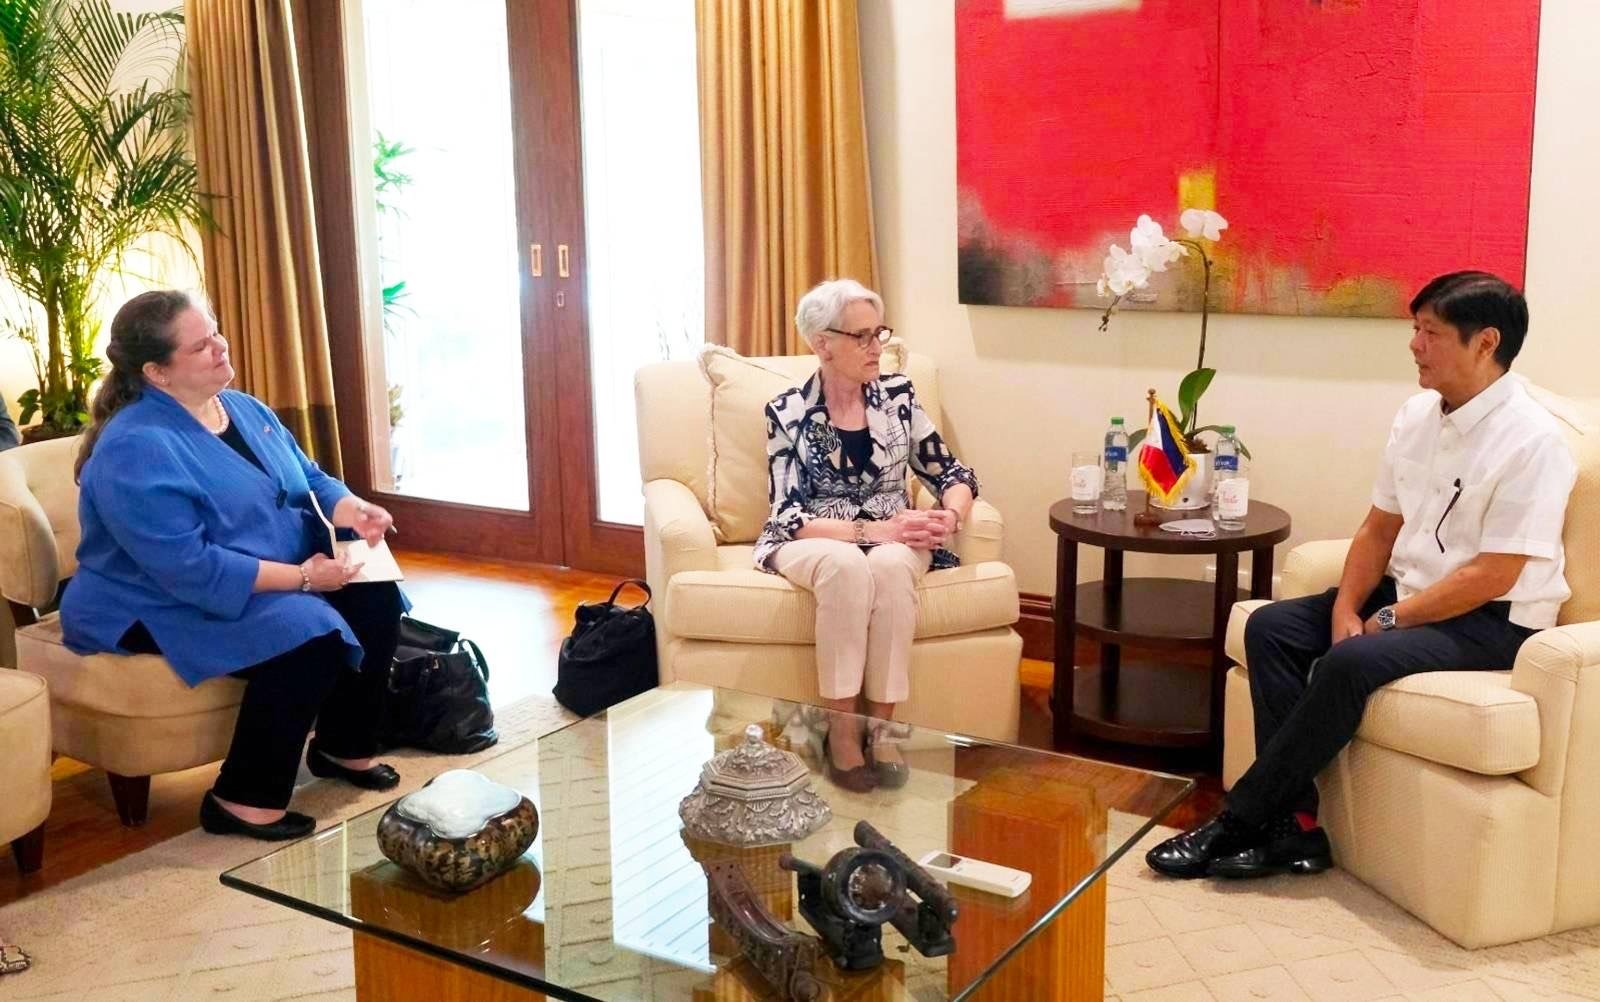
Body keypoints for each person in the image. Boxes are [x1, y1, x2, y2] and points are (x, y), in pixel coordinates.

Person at [1148, 271, 1577, 880]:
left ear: (1486, 342)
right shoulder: (1417, 415)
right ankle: (1295, 828)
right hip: (1411, 592)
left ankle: (1239, 819)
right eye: (1415, 329)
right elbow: (1378, 529)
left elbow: (1493, 574)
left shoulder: (1533, 442)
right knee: (1270, 628)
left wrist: (1388, 620)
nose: (1414, 345)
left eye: (1430, 333)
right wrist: (1346, 609)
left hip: (1496, 620)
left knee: (1349, 662)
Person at [61, 289, 409, 842]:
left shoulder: (242, 408)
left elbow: (308, 477)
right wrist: (303, 579)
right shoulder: (135, 448)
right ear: (156, 372)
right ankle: (242, 799)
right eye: (201, 346)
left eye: (216, 332)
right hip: (150, 599)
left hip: (249, 570)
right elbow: (191, 567)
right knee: (309, 630)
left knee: (374, 594)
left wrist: (353, 508)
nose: (221, 347)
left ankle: (344, 747)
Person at [759, 279, 980, 792]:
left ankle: (881, 731)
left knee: (889, 564)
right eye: (861, 336)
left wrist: (949, 517)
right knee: (846, 565)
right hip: (815, 536)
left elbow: (952, 474)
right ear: (822, 343)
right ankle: (842, 732)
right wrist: (872, 530)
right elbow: (788, 513)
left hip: (895, 538)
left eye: (879, 332)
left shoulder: (898, 397)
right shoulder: (788, 412)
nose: (876, 346)